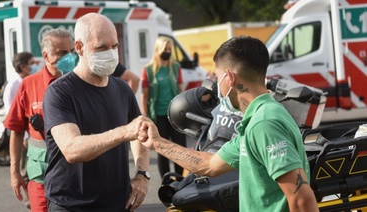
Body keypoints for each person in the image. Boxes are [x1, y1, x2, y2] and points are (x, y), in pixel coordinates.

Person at [139, 36, 319, 211]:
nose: (218, 87)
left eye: (218, 79)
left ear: (229, 78)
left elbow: (302, 200)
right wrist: (157, 142)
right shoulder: (257, 118)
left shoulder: (264, 123)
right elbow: (208, 165)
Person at [43, 13, 150, 212]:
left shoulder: (122, 89)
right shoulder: (59, 92)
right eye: (101, 47)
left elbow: (139, 133)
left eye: (114, 46)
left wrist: (142, 174)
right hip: (71, 205)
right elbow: (72, 149)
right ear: (80, 48)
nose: (110, 53)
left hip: (118, 203)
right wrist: (124, 132)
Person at [4, 28, 75, 212]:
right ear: (46, 55)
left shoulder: (82, 83)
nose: (69, 57)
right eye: (61, 53)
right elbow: (17, 130)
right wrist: (14, 173)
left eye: (71, 52)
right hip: (40, 177)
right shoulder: (29, 85)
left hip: (77, 178)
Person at [140, 36, 186, 178]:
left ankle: (180, 180)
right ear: (158, 50)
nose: (168, 52)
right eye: (165, 49)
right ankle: (167, 183)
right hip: (158, 115)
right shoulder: (148, 70)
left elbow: (181, 90)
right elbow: (144, 95)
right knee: (162, 151)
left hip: (175, 115)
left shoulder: (176, 68)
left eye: (169, 49)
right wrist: (145, 116)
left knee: (179, 150)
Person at [3, 51, 36, 210]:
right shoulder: (13, 86)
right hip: (24, 137)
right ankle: (30, 201)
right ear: (23, 66)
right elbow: (14, 116)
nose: (35, 65)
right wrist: (24, 137)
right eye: (32, 62)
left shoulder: (31, 81)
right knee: (24, 171)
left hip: (34, 137)